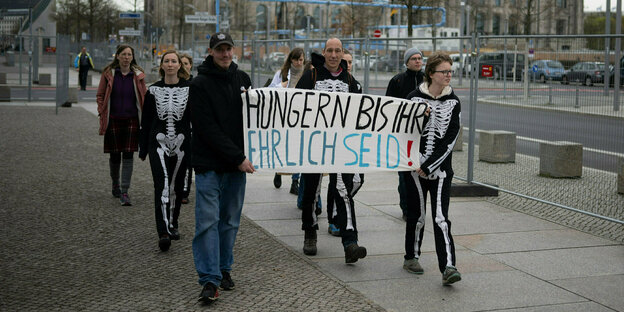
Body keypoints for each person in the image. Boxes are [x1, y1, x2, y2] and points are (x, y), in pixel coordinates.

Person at [189, 32, 254, 304]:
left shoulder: (243, 80)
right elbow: (207, 129)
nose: (225, 54)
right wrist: (238, 156)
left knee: (229, 222)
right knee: (207, 222)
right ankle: (209, 279)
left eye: (228, 49)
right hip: (209, 165)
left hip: (236, 166)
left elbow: (256, 118)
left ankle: (224, 269)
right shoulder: (199, 84)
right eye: (220, 50)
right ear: (211, 51)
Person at [295, 38, 367, 264]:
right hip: (315, 142)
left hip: (341, 144)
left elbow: (360, 112)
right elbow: (294, 105)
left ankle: (350, 241)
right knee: (311, 188)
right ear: (324, 53)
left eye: (338, 51)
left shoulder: (350, 79)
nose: (334, 55)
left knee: (344, 189)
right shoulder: (312, 76)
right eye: (330, 51)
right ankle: (310, 230)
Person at [402, 52, 462, 285]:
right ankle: (411, 257)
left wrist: (429, 165)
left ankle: (448, 266)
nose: (448, 75)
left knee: (440, 218)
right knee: (417, 216)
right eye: (444, 72)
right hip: (414, 170)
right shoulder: (413, 97)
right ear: (431, 74)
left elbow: (450, 138)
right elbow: (405, 131)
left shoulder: (453, 102)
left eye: (450, 71)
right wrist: (424, 119)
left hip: (440, 171)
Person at [139, 50, 191, 252]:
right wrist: (143, 148)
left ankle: (173, 223)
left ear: (180, 65)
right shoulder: (153, 90)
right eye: (166, 61)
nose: (170, 64)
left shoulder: (189, 89)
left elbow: (194, 119)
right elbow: (146, 120)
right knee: (161, 185)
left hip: (182, 144)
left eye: (173, 61)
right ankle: (162, 231)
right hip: (158, 143)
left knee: (177, 187)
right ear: (161, 65)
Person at [97, 44, 147, 206]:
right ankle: (115, 183)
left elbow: (144, 95)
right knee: (114, 155)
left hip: (132, 120)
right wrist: (102, 109)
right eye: (123, 54)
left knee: (128, 155)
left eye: (129, 55)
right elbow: (100, 94)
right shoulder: (109, 74)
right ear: (117, 56)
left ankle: (125, 191)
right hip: (113, 119)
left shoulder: (138, 75)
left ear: (132, 57)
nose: (126, 57)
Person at [385, 47, 425, 221]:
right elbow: (389, 106)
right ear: (407, 62)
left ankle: (419, 207)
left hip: (422, 135)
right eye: (414, 58)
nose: (417, 61)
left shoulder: (427, 80)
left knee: (421, 175)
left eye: (419, 58)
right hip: (403, 135)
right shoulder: (398, 80)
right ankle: (407, 208)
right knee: (404, 175)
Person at [325, 48, 356, 237]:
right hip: (331, 142)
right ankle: (336, 219)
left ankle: (340, 214)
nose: (348, 65)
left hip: (350, 142)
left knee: (356, 180)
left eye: (351, 62)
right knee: (336, 182)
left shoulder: (354, 84)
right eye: (346, 62)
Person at [269, 48, 305, 195]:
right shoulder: (281, 74)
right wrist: (282, 86)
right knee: (284, 148)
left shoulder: (307, 73)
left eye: (301, 60)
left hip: (301, 116)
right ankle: (279, 172)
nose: (298, 62)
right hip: (284, 115)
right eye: (295, 59)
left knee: (298, 149)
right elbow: (270, 90)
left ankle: (295, 181)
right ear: (291, 59)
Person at [179, 53, 194, 205]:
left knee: (189, 162)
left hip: (191, 129)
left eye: (186, 63)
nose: (184, 66)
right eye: (181, 63)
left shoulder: (195, 84)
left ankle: (185, 190)